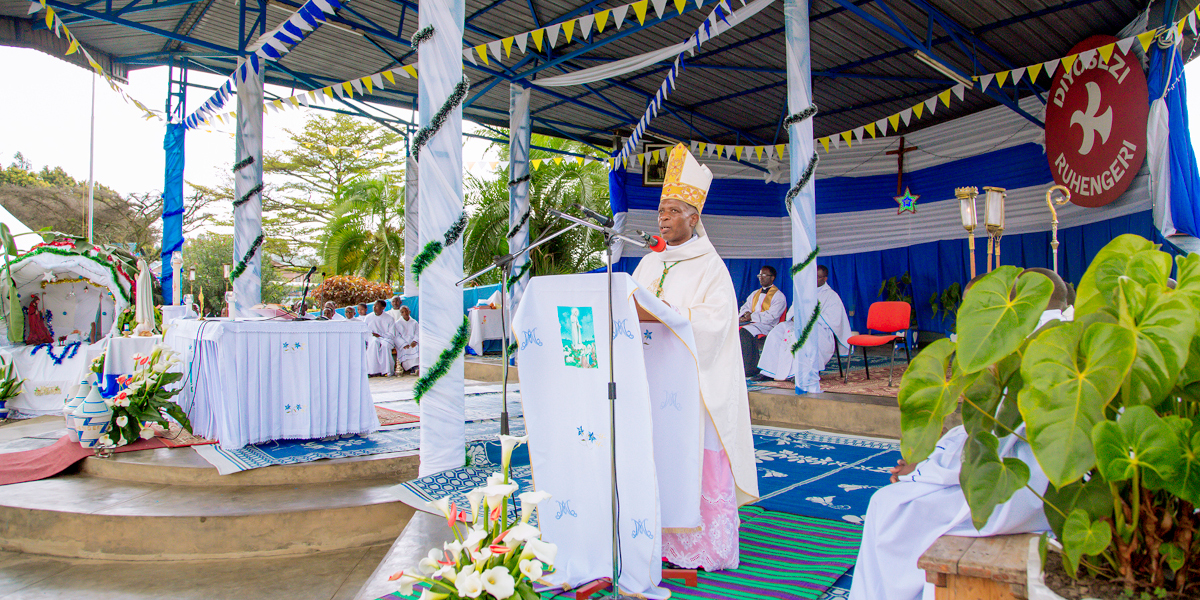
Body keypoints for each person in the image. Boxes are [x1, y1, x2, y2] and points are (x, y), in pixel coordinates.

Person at [849, 268, 1068, 600]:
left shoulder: (1027, 346)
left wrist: (922, 470)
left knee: (888, 506)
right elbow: (985, 429)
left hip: (1023, 492)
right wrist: (929, 460)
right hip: (1040, 483)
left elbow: (995, 438)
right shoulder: (1060, 334)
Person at [631, 143, 759, 571]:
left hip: (694, 386)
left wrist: (671, 317)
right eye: (661, 210)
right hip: (652, 380)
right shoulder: (649, 264)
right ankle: (656, 540)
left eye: (672, 210)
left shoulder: (711, 266)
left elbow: (717, 321)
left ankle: (702, 547)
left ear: (694, 217)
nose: (663, 218)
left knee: (692, 453)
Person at [757, 265, 851, 381]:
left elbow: (834, 319)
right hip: (798, 324)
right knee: (777, 331)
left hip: (819, 329)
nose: (814, 279)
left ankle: (801, 373)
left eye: (818, 277)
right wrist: (793, 317)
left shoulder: (831, 296)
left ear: (825, 279)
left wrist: (809, 318)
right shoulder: (803, 292)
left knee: (802, 336)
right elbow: (792, 311)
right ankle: (769, 371)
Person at [737, 266, 786, 376]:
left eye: (764, 275)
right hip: (752, 322)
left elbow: (772, 316)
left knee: (745, 332)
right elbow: (745, 306)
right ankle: (737, 365)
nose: (761, 278)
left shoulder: (779, 296)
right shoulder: (755, 293)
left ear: (772, 278)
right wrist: (744, 315)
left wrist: (752, 317)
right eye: (760, 275)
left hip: (768, 325)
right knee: (734, 330)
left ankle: (750, 368)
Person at [364, 300, 396, 377]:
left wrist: (380, 335)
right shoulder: (368, 317)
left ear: (383, 308)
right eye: (374, 306)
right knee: (374, 342)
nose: (374, 308)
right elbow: (365, 331)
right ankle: (372, 370)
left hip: (385, 338)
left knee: (385, 345)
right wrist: (372, 335)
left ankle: (385, 370)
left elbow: (392, 334)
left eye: (377, 306)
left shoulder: (389, 318)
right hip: (371, 338)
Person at [392, 305, 419, 374]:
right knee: (406, 350)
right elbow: (396, 336)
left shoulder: (414, 322)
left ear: (409, 312)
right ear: (401, 314)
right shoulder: (397, 324)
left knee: (416, 348)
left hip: (413, 342)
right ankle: (412, 368)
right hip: (403, 344)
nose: (405, 313)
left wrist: (415, 341)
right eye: (402, 312)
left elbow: (417, 333)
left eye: (406, 311)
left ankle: (416, 367)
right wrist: (403, 344)